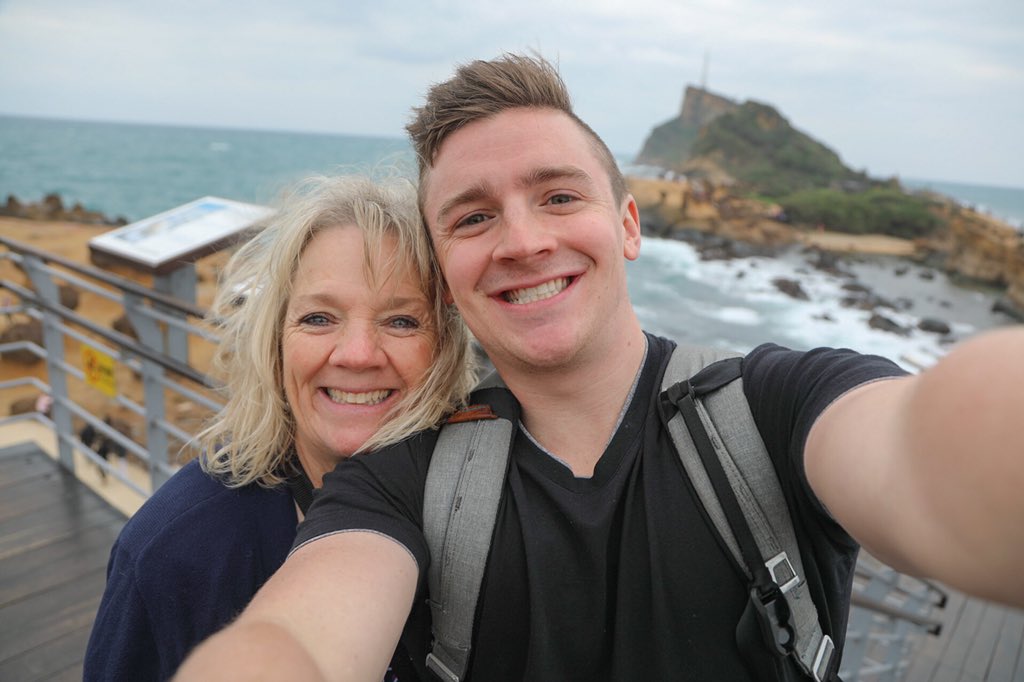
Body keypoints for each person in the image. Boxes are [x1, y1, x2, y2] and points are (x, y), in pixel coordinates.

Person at [176, 55, 1024, 682]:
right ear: (445, 270)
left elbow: (926, 450)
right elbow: (303, 642)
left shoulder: (773, 410)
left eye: (557, 196)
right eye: (473, 218)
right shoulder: (405, 479)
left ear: (627, 224)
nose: (523, 240)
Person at [84, 175, 477, 681]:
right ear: (274, 344)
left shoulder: (493, 510)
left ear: (446, 348)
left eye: (401, 321)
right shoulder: (170, 553)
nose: (357, 354)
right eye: (318, 318)